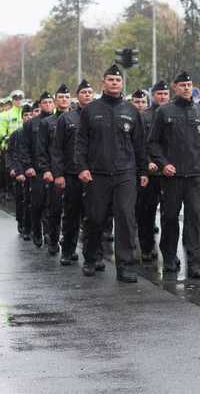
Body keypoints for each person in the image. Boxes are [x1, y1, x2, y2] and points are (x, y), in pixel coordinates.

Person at [75, 64, 148, 282]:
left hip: (125, 173)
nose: (115, 83)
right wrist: (82, 167)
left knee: (126, 218)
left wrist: (143, 170)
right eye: (111, 80)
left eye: (118, 80)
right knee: (95, 218)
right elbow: (81, 143)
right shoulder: (91, 109)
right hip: (97, 173)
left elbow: (139, 145)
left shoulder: (131, 111)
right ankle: (90, 258)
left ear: (122, 84)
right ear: (103, 83)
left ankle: (125, 266)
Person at [147, 70, 200, 278]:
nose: (186, 88)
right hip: (172, 177)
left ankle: (196, 261)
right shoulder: (164, 112)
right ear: (175, 87)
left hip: (196, 176)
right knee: (169, 217)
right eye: (182, 85)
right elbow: (152, 143)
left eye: (189, 85)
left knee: (195, 218)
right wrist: (163, 165)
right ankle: (169, 256)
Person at [52, 79, 94, 266]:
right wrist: (58, 174)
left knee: (95, 216)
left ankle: (94, 255)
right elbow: (57, 149)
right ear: (77, 96)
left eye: (89, 92)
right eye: (83, 92)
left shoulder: (98, 116)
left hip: (95, 175)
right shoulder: (66, 119)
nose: (87, 95)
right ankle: (68, 250)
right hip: (71, 174)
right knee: (71, 214)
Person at [16, 91, 55, 248]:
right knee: (38, 203)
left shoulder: (59, 120)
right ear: (39, 105)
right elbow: (24, 147)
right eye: (44, 103)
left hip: (54, 168)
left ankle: (50, 234)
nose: (47, 105)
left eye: (50, 102)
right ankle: (37, 231)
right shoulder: (31, 124)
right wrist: (28, 166)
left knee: (53, 205)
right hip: (37, 169)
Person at [137, 80, 170, 262]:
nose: (163, 97)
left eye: (165, 94)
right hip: (151, 172)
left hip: (169, 172)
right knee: (147, 212)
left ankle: (168, 251)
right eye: (159, 94)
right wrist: (148, 162)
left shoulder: (172, 114)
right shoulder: (144, 117)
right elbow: (140, 143)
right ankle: (147, 247)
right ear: (152, 96)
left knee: (169, 214)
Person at [38, 84, 72, 256]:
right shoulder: (47, 122)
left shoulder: (78, 118)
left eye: (67, 97)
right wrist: (46, 169)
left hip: (73, 170)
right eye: (61, 97)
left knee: (74, 210)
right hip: (55, 170)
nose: (64, 100)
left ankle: (68, 243)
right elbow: (42, 149)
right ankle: (53, 239)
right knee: (55, 208)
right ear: (55, 100)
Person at [6, 104, 32, 237]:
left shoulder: (37, 132)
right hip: (19, 170)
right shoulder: (16, 134)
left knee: (33, 199)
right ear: (22, 118)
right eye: (25, 115)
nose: (28, 117)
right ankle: (21, 222)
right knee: (21, 198)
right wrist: (13, 169)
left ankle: (31, 224)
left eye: (30, 115)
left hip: (33, 170)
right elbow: (10, 153)